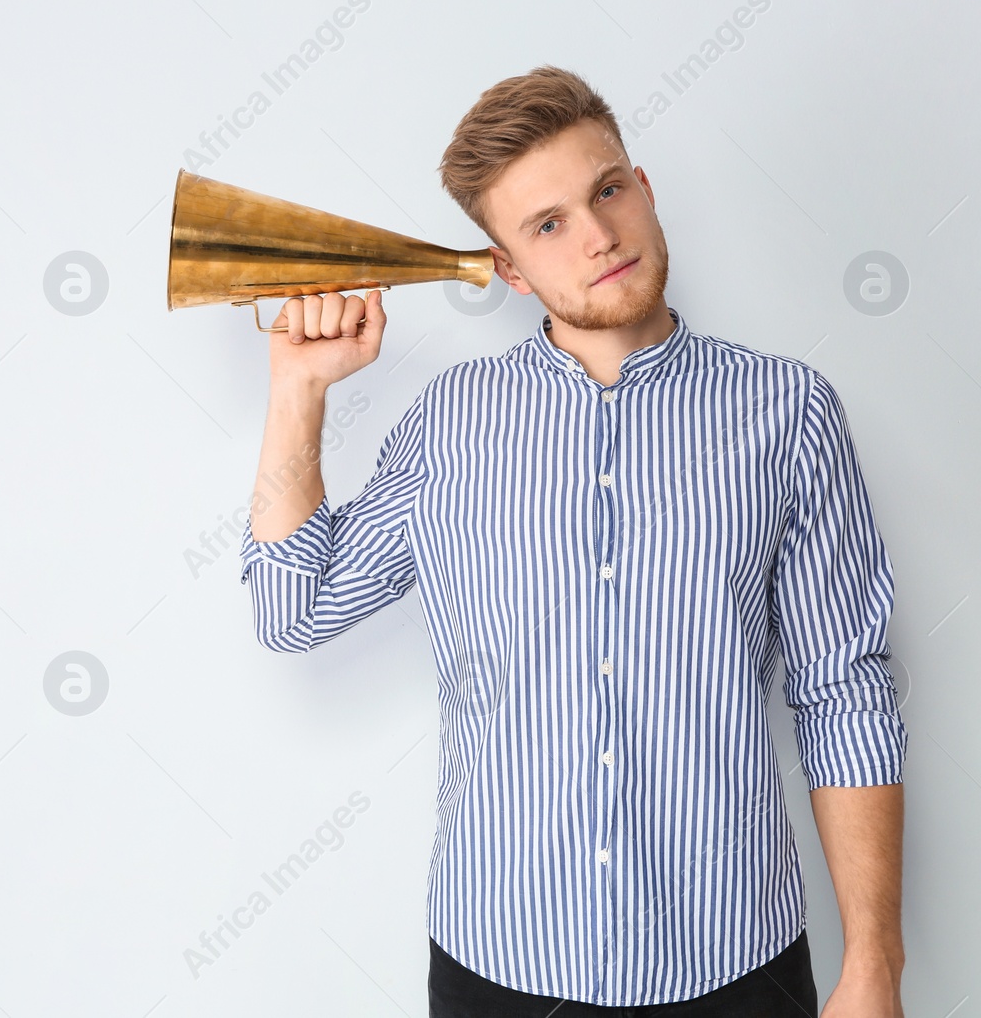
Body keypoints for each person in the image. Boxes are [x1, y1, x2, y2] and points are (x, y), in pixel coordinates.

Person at [237, 66, 907, 1016]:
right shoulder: (453, 425)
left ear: (643, 187)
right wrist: (299, 392)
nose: (597, 237)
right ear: (509, 269)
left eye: (606, 191)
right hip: (497, 963)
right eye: (546, 224)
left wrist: (874, 964)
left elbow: (844, 691)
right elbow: (292, 609)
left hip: (734, 965)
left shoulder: (788, 414)